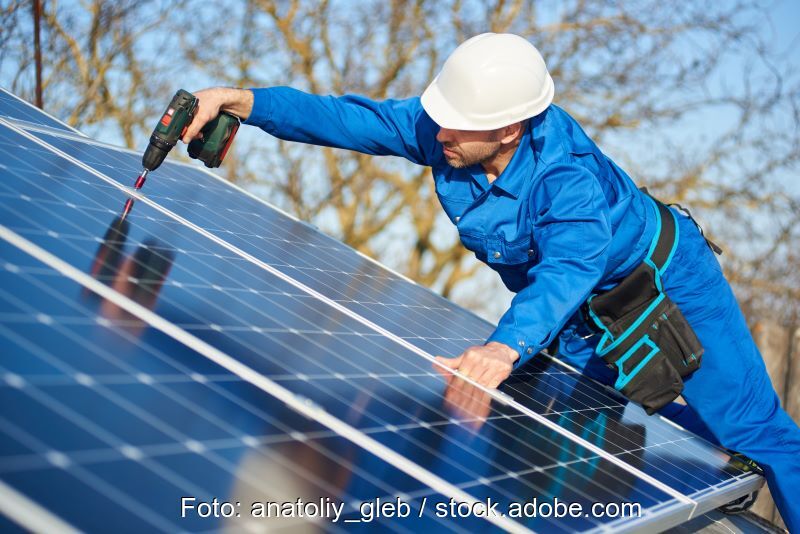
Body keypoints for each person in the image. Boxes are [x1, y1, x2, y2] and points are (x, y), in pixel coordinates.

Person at [182, 33, 799, 529]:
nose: (438, 133)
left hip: (664, 283)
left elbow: (568, 269)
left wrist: (505, 347)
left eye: (455, 125)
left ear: (509, 129)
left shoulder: (568, 181)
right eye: (439, 118)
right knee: (571, 420)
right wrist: (241, 102)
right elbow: (350, 119)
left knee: (758, 433)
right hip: (572, 311)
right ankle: (702, 438)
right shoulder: (448, 132)